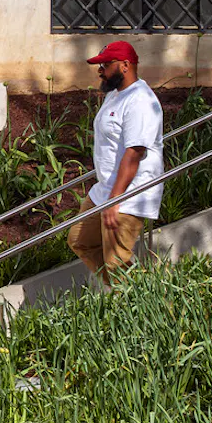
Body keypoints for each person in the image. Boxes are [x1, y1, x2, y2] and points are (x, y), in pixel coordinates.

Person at [73, 39, 165, 279]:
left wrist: (116, 200)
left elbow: (135, 152)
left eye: (105, 64)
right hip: (105, 189)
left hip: (129, 192)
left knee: (116, 261)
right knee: (79, 239)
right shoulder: (115, 95)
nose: (100, 70)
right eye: (99, 65)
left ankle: (139, 303)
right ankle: (125, 295)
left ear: (125, 65)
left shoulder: (141, 101)